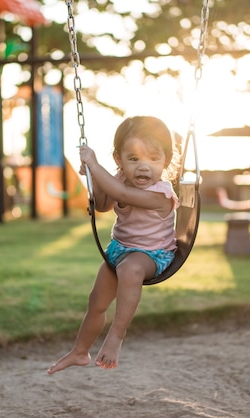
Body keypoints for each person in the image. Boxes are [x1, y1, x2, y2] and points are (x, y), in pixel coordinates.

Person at [47, 116, 180, 374]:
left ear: (166, 160)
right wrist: (92, 175)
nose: (144, 167)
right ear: (119, 159)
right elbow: (107, 203)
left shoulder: (161, 194)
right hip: (119, 251)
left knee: (130, 269)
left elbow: (123, 196)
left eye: (153, 159)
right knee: (96, 302)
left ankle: (116, 336)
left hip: (153, 255)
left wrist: (96, 166)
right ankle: (79, 351)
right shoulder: (120, 178)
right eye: (134, 159)